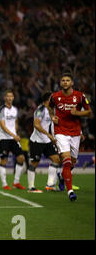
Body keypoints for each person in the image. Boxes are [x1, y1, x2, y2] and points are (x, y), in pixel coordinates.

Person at [48, 72, 92, 201]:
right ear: (60, 83)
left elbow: (89, 112)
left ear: (72, 83)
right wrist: (52, 117)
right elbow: (49, 108)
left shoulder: (80, 96)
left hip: (75, 133)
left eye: (67, 80)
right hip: (60, 131)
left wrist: (77, 112)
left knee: (72, 162)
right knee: (66, 160)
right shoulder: (55, 96)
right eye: (63, 80)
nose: (65, 82)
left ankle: (62, 177)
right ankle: (70, 191)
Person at [27, 91, 61, 193]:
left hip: (46, 141)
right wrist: (49, 135)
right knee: (34, 163)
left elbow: (50, 120)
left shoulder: (50, 110)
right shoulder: (40, 109)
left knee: (56, 159)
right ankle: (31, 187)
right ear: (48, 100)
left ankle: (50, 185)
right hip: (37, 141)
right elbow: (36, 125)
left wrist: (54, 120)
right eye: (52, 98)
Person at [0, 89, 26, 190]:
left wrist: (15, 133)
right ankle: (4, 184)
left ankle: (16, 182)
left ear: (13, 98)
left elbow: (16, 122)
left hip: (13, 138)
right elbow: (3, 126)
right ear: (5, 98)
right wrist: (14, 135)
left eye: (11, 96)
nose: (9, 98)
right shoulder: (1, 110)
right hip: (4, 138)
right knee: (4, 160)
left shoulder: (15, 110)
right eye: (7, 96)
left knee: (21, 158)